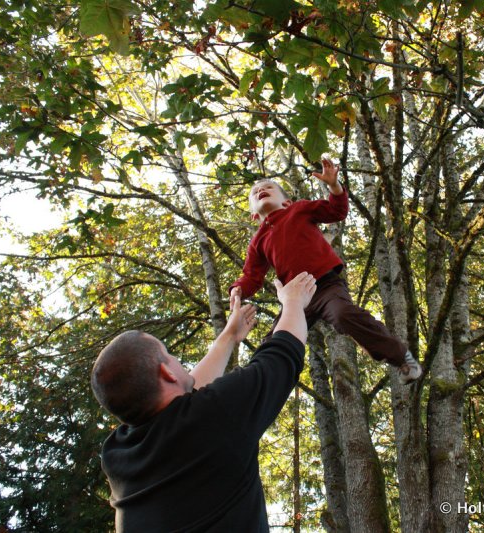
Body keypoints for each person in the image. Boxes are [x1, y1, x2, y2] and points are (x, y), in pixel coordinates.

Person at [91, 273, 318, 532]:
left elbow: (184, 403)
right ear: (167, 372)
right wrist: (293, 301)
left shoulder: (117, 456)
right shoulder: (215, 418)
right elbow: (282, 355)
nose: (176, 360)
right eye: (168, 354)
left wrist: (229, 336)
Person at [230, 158, 422, 384]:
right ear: (254, 215)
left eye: (268, 187)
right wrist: (238, 289)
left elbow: (336, 210)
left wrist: (334, 186)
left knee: (343, 315)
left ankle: (402, 358)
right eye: (255, 192)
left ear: (287, 202)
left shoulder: (299, 209)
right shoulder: (257, 241)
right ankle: (254, 383)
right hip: (296, 299)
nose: (261, 190)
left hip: (326, 285)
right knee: (276, 339)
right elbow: (252, 276)